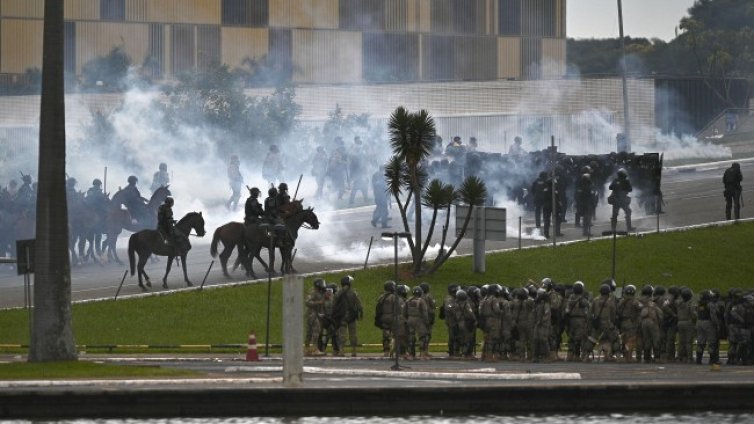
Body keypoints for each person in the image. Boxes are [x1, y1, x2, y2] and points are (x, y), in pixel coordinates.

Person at [333, 275, 363, 357]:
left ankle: (341, 350)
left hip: (342, 316)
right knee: (353, 333)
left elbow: (334, 301)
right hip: (352, 316)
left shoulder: (338, 292)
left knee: (342, 333)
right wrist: (360, 312)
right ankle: (354, 351)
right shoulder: (353, 293)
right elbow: (359, 305)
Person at [404, 286, 430, 360]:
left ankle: (411, 354)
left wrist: (406, 319)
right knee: (422, 337)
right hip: (419, 320)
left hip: (410, 319)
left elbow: (404, 312)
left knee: (411, 337)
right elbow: (425, 313)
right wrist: (426, 322)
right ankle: (422, 354)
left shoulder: (408, 300)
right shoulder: (422, 301)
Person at [375, 281, 398, 357]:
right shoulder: (394, 297)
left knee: (385, 335)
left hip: (383, 318)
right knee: (394, 335)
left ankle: (386, 351)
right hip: (392, 318)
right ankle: (393, 350)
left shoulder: (381, 297)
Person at [305, 278, 327, 356]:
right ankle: (313, 349)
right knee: (315, 330)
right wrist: (318, 302)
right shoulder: (313, 292)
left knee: (310, 332)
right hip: (311, 314)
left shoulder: (320, 293)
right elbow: (307, 302)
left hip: (316, 314)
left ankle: (308, 349)